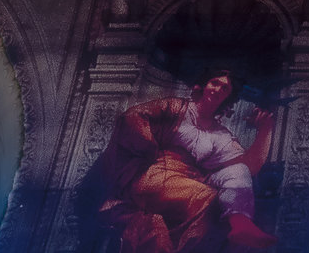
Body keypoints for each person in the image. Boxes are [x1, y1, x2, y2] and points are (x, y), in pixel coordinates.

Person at [93, 72, 278, 252]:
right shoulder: (176, 107)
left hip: (191, 180)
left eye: (225, 89)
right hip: (155, 175)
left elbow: (250, 167)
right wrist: (151, 150)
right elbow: (133, 117)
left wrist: (265, 130)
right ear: (202, 86)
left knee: (238, 172)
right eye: (215, 83)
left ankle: (240, 222)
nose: (218, 89)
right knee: (212, 200)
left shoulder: (220, 134)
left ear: (228, 97)